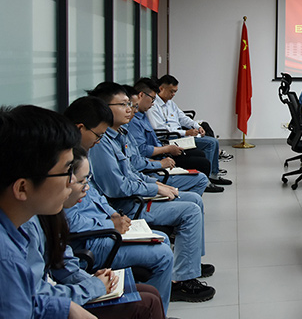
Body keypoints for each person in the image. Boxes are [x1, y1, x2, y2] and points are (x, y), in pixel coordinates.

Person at [86, 82, 216, 302]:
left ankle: (188, 263)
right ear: (104, 109)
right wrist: (155, 186)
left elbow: (133, 170)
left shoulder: (119, 134)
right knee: (190, 211)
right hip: (128, 205)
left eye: (130, 104)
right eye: (123, 104)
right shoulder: (101, 143)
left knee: (194, 199)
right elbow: (118, 187)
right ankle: (183, 279)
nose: (130, 109)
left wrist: (157, 185)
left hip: (137, 195)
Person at [0, 104, 95, 318]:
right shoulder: (6, 260)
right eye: (66, 171)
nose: (71, 181)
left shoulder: (14, 231)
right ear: (22, 188)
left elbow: (28, 300)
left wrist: (66, 308)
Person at [64, 147, 174, 312]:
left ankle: (157, 309)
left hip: (106, 230)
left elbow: (97, 196)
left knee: (162, 239)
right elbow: (71, 223)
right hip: (92, 241)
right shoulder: (65, 183)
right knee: (163, 254)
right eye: (81, 182)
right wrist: (110, 224)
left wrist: (114, 215)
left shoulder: (82, 162)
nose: (85, 187)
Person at [24, 207, 167, 318]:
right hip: (50, 306)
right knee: (148, 304)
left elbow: (63, 264)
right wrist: (92, 287)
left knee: (151, 291)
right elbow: (37, 297)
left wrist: (92, 281)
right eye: (71, 180)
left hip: (58, 292)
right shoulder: (28, 226)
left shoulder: (47, 215)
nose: (85, 186)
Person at [127, 78, 220, 193]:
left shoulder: (144, 114)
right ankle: (202, 184)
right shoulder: (135, 120)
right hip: (164, 147)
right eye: (152, 99)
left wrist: (196, 126)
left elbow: (183, 118)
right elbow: (142, 152)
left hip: (163, 149)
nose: (153, 103)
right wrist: (166, 152)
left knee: (201, 151)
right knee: (204, 158)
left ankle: (210, 177)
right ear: (141, 95)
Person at [146, 75, 231, 186]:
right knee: (210, 143)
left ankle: (213, 174)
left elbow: (183, 118)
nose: (173, 94)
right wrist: (185, 133)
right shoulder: (153, 106)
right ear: (161, 88)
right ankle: (208, 179)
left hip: (179, 135)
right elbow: (160, 129)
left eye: (175, 92)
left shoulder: (170, 103)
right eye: (171, 91)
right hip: (169, 139)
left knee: (213, 141)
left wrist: (197, 126)